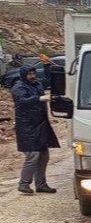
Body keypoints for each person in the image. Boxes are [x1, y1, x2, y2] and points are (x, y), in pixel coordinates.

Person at [11, 65, 60, 194]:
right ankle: (24, 183)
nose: (32, 76)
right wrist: (39, 98)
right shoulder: (18, 86)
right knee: (33, 155)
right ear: (23, 75)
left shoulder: (36, 83)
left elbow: (49, 80)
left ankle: (41, 184)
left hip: (40, 124)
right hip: (27, 126)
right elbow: (22, 101)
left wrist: (47, 66)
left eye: (33, 73)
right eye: (29, 74)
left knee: (44, 155)